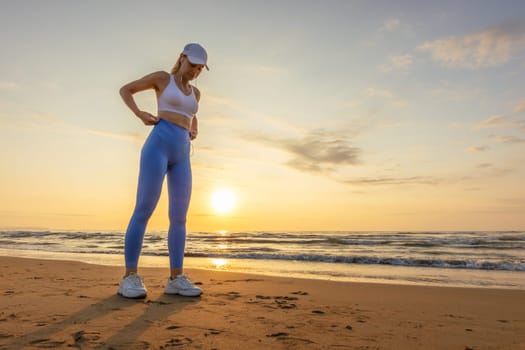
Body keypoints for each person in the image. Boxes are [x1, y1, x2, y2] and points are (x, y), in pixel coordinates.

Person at [117, 43, 209, 298]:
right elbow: (126, 90)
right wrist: (138, 113)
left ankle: (176, 278)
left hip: (182, 155)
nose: (195, 71)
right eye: (193, 65)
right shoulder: (162, 79)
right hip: (157, 147)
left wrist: (194, 129)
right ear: (181, 58)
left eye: (200, 68)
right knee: (143, 210)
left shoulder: (196, 93)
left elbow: (192, 113)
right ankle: (129, 277)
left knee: (179, 217)